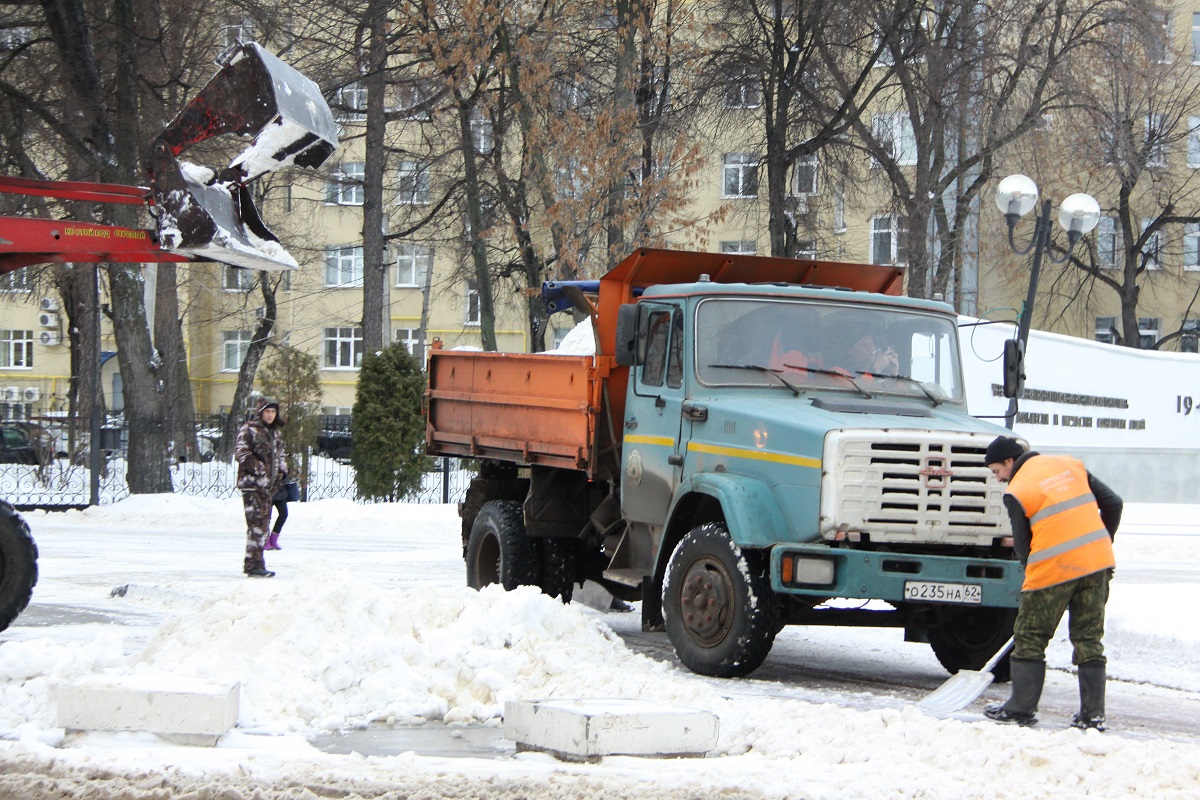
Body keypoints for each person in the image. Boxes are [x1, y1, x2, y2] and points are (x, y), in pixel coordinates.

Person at [983, 435, 1122, 730]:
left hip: (1052, 570)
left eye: (997, 471)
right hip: (1096, 564)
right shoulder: (1071, 466)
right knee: (1088, 639)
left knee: (1030, 636)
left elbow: (1022, 546)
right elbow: (1114, 502)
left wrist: (1031, 574)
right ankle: (1093, 714)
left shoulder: (1017, 490)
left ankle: (1021, 708)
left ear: (1010, 461)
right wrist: (1103, 541)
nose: (998, 478)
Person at [234, 396, 287, 577]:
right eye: (267, 411)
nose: (271, 415)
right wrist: (260, 469)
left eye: (273, 411)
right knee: (256, 524)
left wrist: (282, 473)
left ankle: (255, 562)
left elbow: (280, 454)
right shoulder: (249, 429)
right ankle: (254, 564)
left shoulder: (275, 433)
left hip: (268, 487)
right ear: (260, 412)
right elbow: (241, 452)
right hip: (252, 485)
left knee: (263, 525)